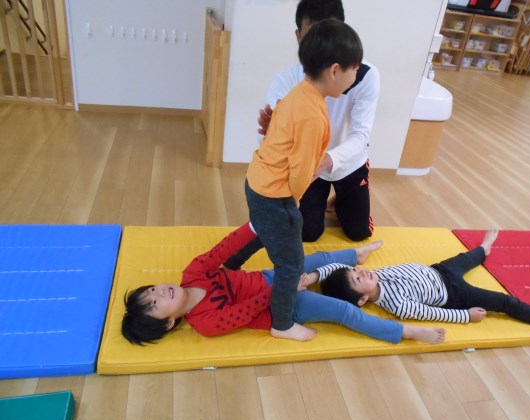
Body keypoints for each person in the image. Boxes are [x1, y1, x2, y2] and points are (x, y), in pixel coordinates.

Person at [224, 0, 380, 271]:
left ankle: (342, 197)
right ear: (299, 37)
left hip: (346, 163)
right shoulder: (287, 82)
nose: (323, 48)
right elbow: (276, 149)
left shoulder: (363, 74)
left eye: (329, 36)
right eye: (314, 38)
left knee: (358, 232)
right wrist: (274, 134)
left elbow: (361, 135)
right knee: (307, 233)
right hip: (306, 171)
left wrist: (326, 161)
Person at [121, 222, 446, 346]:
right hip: (279, 307)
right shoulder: (205, 323)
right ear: (168, 322)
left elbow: (223, 249)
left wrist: (254, 226)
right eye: (155, 303)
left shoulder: (192, 273)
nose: (159, 292)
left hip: (268, 278)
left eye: (152, 289)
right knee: (343, 311)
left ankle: (355, 254)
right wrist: (287, 288)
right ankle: (405, 332)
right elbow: (246, 311)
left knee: (316, 259)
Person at [244, 18, 365, 342]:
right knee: (290, 264)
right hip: (275, 193)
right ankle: (282, 323)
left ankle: (230, 262)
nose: (356, 76)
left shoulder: (298, 93)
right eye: (354, 70)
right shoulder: (314, 114)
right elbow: (300, 171)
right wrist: (294, 201)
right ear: (336, 70)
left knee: (264, 228)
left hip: (257, 181)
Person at [309, 230, 530, 333]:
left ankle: (484, 248)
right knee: (505, 302)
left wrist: (314, 275)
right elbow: (431, 313)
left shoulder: (373, 278)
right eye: (358, 278)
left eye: (358, 270)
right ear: (362, 299)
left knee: (467, 257)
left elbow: (338, 266)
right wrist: (465, 316)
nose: (363, 272)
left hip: (439, 270)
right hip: (454, 294)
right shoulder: (397, 305)